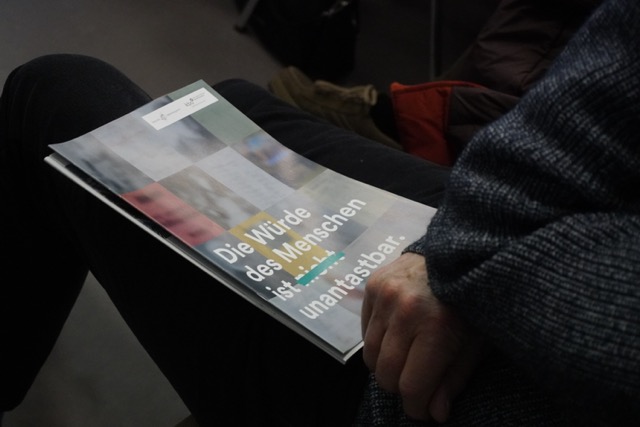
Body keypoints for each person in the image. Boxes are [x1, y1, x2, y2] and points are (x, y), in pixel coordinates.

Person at [1, 0, 639, 426]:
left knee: (54, 90)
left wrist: (471, 266)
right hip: (558, 234)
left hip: (482, 382)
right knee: (231, 106)